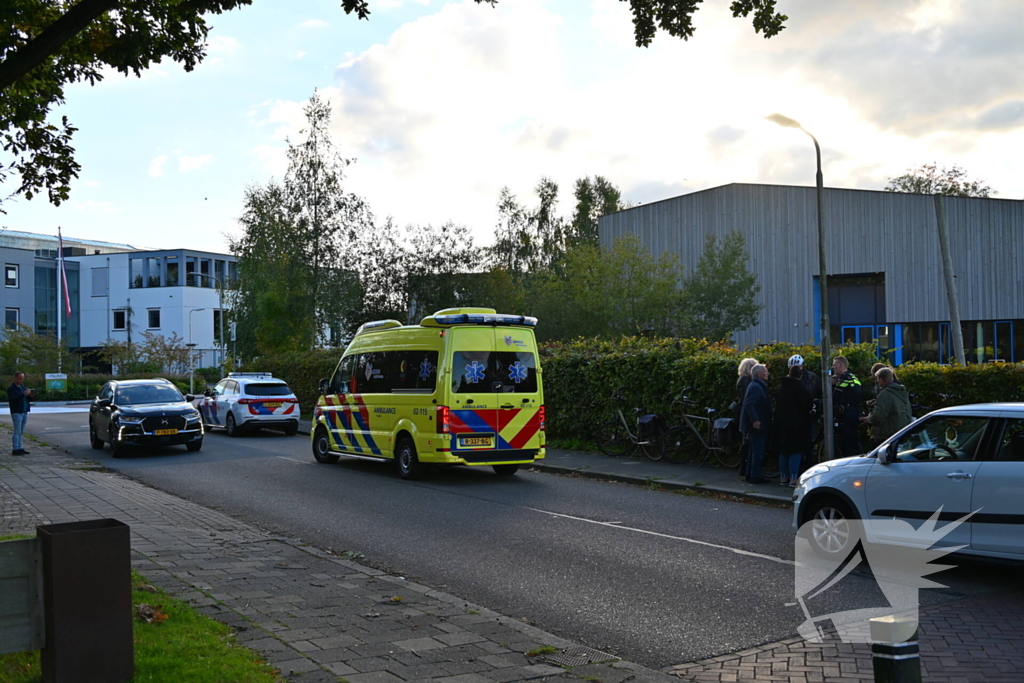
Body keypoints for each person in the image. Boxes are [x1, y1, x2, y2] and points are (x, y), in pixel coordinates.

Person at [775, 364, 813, 487]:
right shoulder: (800, 388)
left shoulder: (782, 387)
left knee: (784, 452)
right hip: (797, 424)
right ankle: (793, 478)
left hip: (782, 423)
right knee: (795, 452)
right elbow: (806, 405)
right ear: (801, 376)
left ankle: (783, 477)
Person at [860, 367, 913, 447]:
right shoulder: (901, 392)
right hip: (901, 432)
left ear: (881, 379)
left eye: (877, 379)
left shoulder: (885, 394)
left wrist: (868, 418)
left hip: (886, 435)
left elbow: (877, 417)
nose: (877, 381)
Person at [739, 363, 772, 484]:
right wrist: (755, 420)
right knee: (758, 450)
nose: (768, 373)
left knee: (753, 450)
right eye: (765, 371)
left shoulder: (756, 385)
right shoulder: (756, 387)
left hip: (757, 423)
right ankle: (755, 476)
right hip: (758, 424)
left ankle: (750, 474)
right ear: (759, 374)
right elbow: (749, 404)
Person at [831, 356, 863, 457]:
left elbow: (834, 396)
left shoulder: (844, 378)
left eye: (834, 365)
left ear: (841, 365)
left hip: (846, 414)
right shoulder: (853, 377)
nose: (833, 367)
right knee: (853, 441)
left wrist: (832, 384)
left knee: (846, 442)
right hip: (854, 411)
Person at [735, 358, 758, 480]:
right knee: (746, 442)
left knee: (747, 442)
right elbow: (747, 400)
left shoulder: (745, 380)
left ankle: (744, 466)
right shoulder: (745, 381)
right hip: (747, 416)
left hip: (745, 414)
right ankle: (744, 466)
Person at [7, 372, 34, 456]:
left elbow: (27, 399)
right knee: (17, 430)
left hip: (24, 411)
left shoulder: (23, 387)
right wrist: (23, 395)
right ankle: (15, 448)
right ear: (15, 378)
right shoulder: (11, 388)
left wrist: (30, 396)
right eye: (20, 378)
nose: (21, 380)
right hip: (17, 411)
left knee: (21, 431)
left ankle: (20, 447)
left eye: (22, 378)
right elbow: (13, 399)